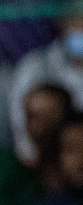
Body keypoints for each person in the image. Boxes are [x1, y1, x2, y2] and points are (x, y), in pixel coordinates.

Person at [9, 11, 83, 163]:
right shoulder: (37, 65)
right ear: (63, 23)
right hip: (46, 165)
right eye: (78, 20)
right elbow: (22, 127)